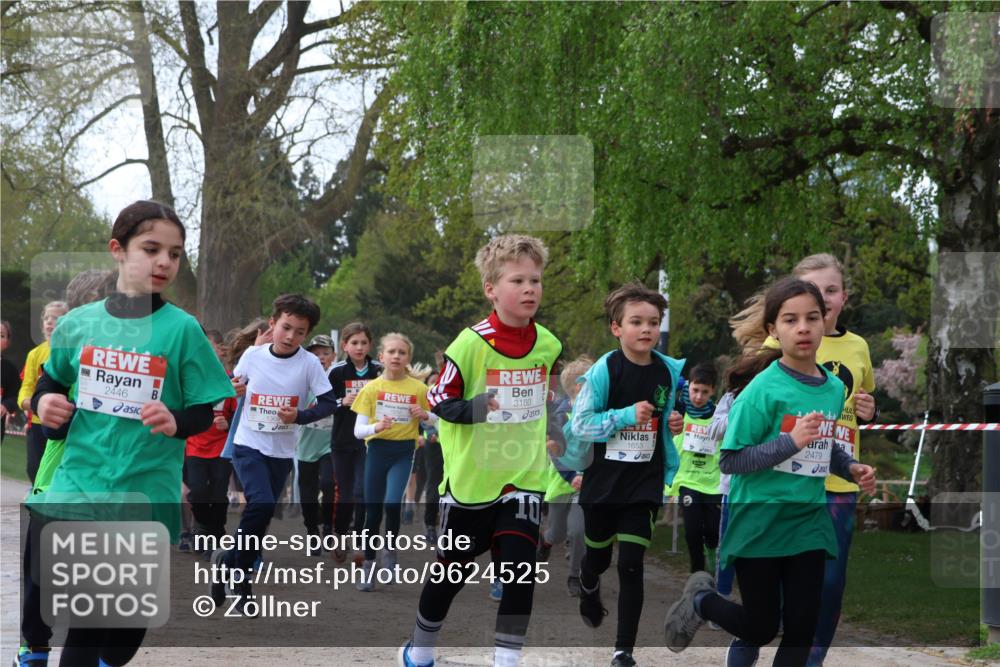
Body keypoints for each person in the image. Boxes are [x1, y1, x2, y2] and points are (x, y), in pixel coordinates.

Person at [26, 200, 235, 667]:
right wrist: (45, 402)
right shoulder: (78, 324)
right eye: (151, 248)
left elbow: (205, 410)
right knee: (86, 623)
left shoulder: (183, 331)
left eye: (176, 254)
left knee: (120, 639)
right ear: (118, 250)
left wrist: (177, 420)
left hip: (146, 490)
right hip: (80, 486)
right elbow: (51, 381)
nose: (165, 262)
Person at [662, 277, 877, 667]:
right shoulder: (761, 390)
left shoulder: (831, 389)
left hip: (807, 520)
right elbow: (731, 459)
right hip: (759, 519)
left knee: (800, 628)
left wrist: (850, 465)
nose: (803, 328)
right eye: (790, 320)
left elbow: (821, 446)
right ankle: (701, 600)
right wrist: (789, 443)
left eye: (812, 318)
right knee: (761, 627)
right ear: (773, 330)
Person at [398, 234, 563, 667]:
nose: (530, 289)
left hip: (523, 477)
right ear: (492, 289)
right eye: (518, 281)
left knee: (519, 571)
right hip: (471, 481)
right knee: (452, 572)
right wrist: (474, 408)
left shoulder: (549, 344)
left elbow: (539, 395)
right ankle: (421, 647)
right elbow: (436, 401)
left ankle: (506, 660)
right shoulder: (469, 344)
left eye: (536, 280)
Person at [559, 282, 685, 667]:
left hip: (644, 482)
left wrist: (672, 422)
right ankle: (589, 580)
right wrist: (626, 416)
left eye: (653, 322)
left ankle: (623, 651)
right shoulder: (603, 371)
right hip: (604, 482)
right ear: (617, 328)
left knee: (632, 563)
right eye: (636, 322)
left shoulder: (667, 371)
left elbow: (664, 418)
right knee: (597, 557)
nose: (646, 329)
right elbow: (580, 425)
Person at [208, 294, 336, 616]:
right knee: (261, 503)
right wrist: (232, 389)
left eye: (299, 331)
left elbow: (328, 403)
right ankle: (241, 578)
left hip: (281, 450)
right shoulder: (253, 355)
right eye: (286, 327)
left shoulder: (308, 364)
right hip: (248, 444)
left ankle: (230, 562)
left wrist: (299, 416)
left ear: (306, 335)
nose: (291, 336)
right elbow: (234, 384)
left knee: (262, 515)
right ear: (272, 324)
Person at [351, 333, 432, 588]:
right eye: (392, 352)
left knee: (392, 504)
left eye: (402, 352)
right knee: (373, 510)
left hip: (403, 452)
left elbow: (439, 420)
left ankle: (390, 556)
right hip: (377, 451)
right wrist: (377, 427)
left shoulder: (419, 389)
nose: (397, 356)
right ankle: (369, 565)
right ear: (381, 356)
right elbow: (358, 430)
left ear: (408, 358)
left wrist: (426, 415)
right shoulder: (371, 389)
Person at [537, 355, 592, 598]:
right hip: (562, 480)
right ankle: (546, 542)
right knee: (558, 532)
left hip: (587, 484)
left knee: (578, 530)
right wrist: (570, 476)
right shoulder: (560, 416)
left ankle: (575, 575)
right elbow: (555, 451)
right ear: (575, 390)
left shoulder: (597, 415)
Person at [329, 321, 382, 562]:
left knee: (363, 491)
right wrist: (342, 401)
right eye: (354, 343)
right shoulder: (337, 372)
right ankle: (339, 536)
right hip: (342, 440)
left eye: (363, 343)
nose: (359, 347)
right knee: (346, 493)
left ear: (370, 345)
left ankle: (360, 539)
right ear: (345, 346)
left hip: (370, 440)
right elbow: (324, 403)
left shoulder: (379, 371)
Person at [184, 328, 239, 556]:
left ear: (220, 350)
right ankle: (203, 528)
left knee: (217, 495)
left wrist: (227, 421)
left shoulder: (230, 381)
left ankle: (216, 535)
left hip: (221, 447)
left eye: (210, 347)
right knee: (196, 492)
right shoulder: (189, 379)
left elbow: (238, 415)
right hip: (194, 445)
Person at [670, 363, 722, 574]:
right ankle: (697, 573)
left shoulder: (719, 416)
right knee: (692, 530)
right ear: (688, 387)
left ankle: (711, 550)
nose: (699, 396)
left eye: (705, 392)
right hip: (687, 480)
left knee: (712, 531)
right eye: (695, 390)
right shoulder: (678, 413)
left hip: (713, 483)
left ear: (712, 392)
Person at [296, 334, 338, 555]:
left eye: (325, 353)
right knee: (308, 494)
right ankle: (312, 532)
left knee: (329, 483)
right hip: (306, 445)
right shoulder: (302, 377)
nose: (321, 357)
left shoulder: (338, 379)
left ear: (333, 356)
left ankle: (329, 529)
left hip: (330, 443)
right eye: (316, 353)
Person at [18, 301, 68, 483]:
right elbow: (25, 389)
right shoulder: (35, 354)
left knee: (56, 469)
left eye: (55, 318)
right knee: (33, 467)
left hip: (63, 423)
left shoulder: (71, 352)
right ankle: (35, 495)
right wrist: (32, 403)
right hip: (38, 423)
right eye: (46, 318)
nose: (49, 322)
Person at [2, 320, 22, 443]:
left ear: (7, 342)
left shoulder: (10, 370)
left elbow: (15, 396)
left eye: (2, 335)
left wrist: (5, 405)